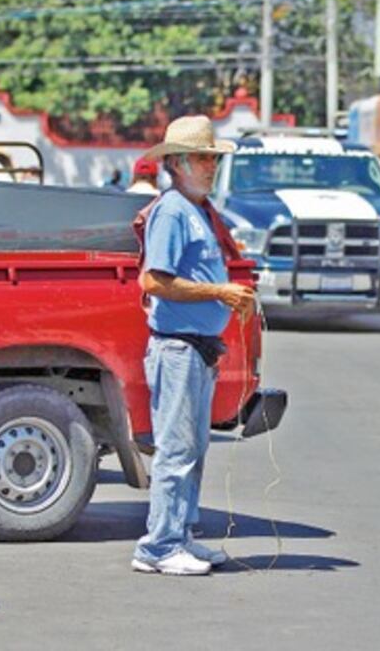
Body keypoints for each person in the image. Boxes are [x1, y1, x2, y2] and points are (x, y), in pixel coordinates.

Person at [131, 115, 256, 576]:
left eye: (212, 158)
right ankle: (159, 546)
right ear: (178, 163)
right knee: (177, 450)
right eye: (202, 158)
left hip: (194, 347)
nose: (211, 166)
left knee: (192, 449)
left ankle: (178, 536)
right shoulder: (173, 211)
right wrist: (219, 292)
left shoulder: (195, 210)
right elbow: (154, 281)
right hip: (178, 348)